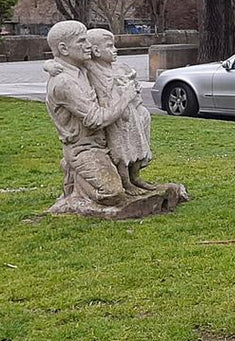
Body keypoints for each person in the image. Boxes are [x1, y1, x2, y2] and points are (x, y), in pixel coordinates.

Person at [43, 20, 143, 210]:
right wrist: (126, 97)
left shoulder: (80, 66)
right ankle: (75, 194)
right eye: (82, 41)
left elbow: (108, 65)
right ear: (64, 48)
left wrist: (48, 64)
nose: (88, 45)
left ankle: (86, 175)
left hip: (105, 141)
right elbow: (95, 119)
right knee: (113, 193)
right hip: (84, 148)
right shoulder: (64, 82)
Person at [85, 28, 154, 191]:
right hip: (115, 118)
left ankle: (135, 177)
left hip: (130, 114)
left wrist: (133, 89)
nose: (115, 50)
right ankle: (125, 182)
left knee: (138, 146)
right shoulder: (92, 69)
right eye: (110, 46)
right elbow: (63, 61)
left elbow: (133, 86)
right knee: (122, 151)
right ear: (96, 50)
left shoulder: (119, 68)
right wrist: (51, 66)